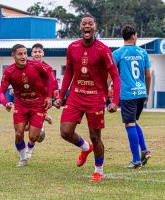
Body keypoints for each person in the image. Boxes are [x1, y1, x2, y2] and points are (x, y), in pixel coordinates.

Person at [54, 14, 120, 182]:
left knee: (95, 136)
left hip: (95, 98)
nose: (87, 26)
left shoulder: (103, 50)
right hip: (76, 96)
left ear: (95, 27)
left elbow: (115, 76)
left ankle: (98, 171)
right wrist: (61, 96)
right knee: (65, 132)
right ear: (80, 27)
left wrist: (114, 101)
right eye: (84, 23)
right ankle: (85, 148)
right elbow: (68, 72)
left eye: (90, 23)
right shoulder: (72, 47)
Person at [0, 44, 53, 167]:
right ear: (13, 55)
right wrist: (5, 102)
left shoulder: (36, 66)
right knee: (19, 133)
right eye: (20, 54)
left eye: (25, 53)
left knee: (33, 137)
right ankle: (23, 159)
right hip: (21, 104)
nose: (23, 56)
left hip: (38, 104)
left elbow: (50, 78)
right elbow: (1, 92)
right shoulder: (9, 71)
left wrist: (49, 96)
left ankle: (41, 120)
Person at [113, 25, 151, 169]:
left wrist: (106, 93)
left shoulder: (117, 53)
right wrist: (146, 92)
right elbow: (147, 75)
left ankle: (136, 161)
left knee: (129, 124)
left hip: (128, 94)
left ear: (123, 36)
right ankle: (144, 150)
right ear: (134, 36)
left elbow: (111, 75)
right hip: (141, 92)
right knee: (133, 122)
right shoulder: (143, 53)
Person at [24, 43, 59, 159]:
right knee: (26, 128)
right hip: (27, 99)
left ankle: (29, 151)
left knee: (37, 134)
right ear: (31, 54)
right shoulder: (26, 65)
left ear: (43, 53)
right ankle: (45, 117)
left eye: (39, 52)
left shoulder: (47, 68)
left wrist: (54, 97)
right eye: (35, 52)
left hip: (41, 102)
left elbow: (54, 85)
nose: (37, 54)